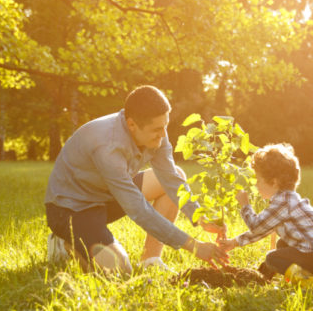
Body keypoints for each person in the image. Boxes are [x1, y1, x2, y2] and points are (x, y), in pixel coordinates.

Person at [44, 85, 228, 274]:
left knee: (178, 174)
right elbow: (138, 209)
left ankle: (151, 259)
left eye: (165, 125)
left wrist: (201, 218)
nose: (164, 135)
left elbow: (171, 179)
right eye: (157, 129)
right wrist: (195, 246)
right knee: (120, 270)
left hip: (106, 197)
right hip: (71, 209)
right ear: (132, 124)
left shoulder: (157, 135)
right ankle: (65, 243)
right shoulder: (108, 145)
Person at [217, 143, 313, 286]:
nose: (256, 185)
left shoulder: (282, 203)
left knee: (273, 258)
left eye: (258, 180)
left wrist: (245, 205)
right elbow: (263, 230)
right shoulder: (287, 200)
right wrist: (234, 242)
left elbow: (256, 227)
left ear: (274, 182)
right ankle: (263, 277)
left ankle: (308, 284)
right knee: (282, 244)